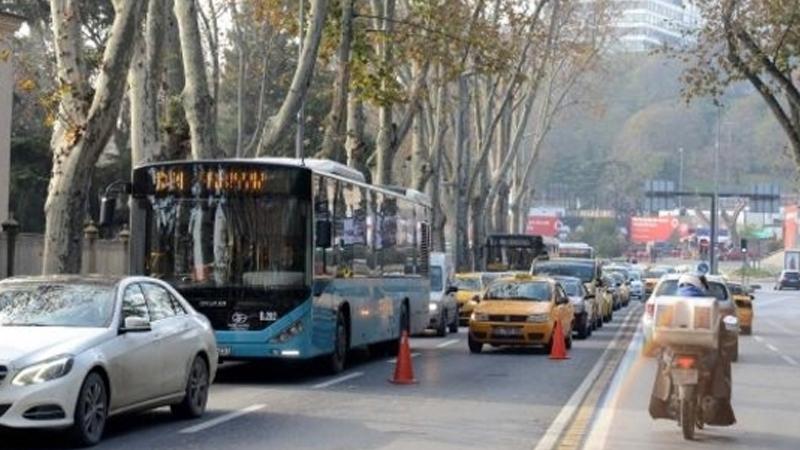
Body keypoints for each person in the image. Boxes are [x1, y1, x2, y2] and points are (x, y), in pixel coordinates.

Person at [649, 272, 736, 426]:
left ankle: (663, 400)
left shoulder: (671, 303)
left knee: (662, 363)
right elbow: (720, 327)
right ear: (699, 285)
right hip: (703, 350)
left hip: (674, 349)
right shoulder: (708, 304)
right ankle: (717, 401)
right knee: (720, 366)